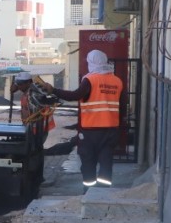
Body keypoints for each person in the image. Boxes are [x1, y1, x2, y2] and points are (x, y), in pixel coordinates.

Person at [46, 49, 124, 188]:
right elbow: (122, 106)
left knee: (88, 161)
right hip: (111, 130)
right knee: (106, 161)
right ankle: (103, 192)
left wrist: (54, 90)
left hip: (90, 132)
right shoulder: (117, 81)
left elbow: (75, 95)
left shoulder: (90, 80)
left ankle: (88, 191)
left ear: (91, 63)